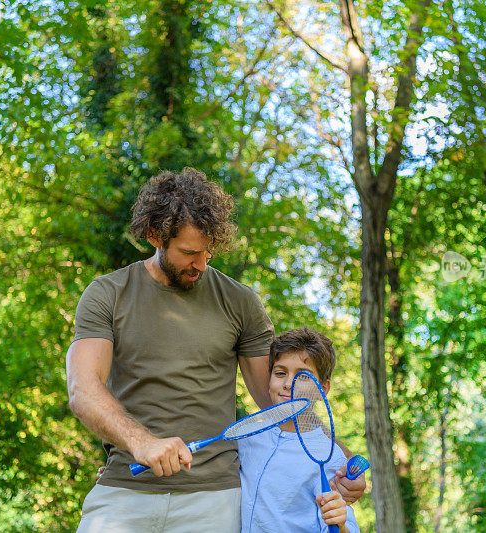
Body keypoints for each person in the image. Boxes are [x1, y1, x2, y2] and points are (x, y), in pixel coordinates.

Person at [66, 168, 364, 532]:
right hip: (124, 492)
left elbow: (281, 404)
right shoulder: (108, 294)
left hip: (214, 500)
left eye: (208, 252)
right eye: (189, 253)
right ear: (154, 235)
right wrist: (141, 444)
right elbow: (83, 390)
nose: (201, 265)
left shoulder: (240, 302)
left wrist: (342, 462)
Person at [238, 327, 360, 533]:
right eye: (280, 373)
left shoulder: (329, 456)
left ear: (323, 389)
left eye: (303, 377)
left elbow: (343, 525)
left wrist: (340, 522)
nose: (288, 384)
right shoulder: (246, 436)